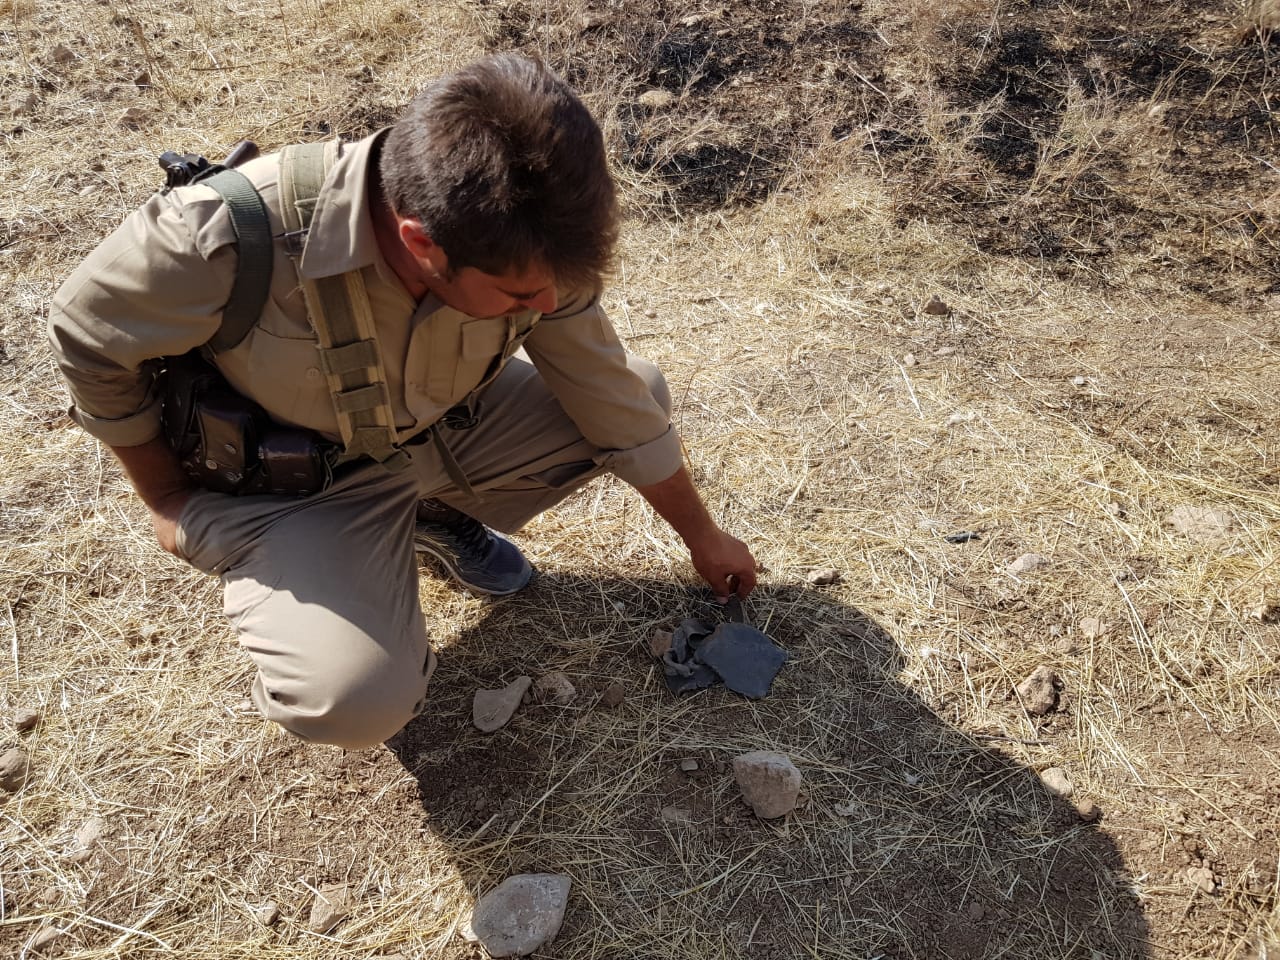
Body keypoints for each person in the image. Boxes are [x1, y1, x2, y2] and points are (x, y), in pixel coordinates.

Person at [47, 53, 757, 749]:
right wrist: (164, 496)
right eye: (518, 296)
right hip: (296, 488)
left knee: (641, 393)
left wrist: (702, 536)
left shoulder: (528, 243)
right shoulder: (225, 235)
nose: (546, 305)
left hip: (433, 433)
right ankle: (317, 584)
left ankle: (430, 514)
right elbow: (85, 333)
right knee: (352, 700)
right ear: (421, 243)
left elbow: (611, 398)